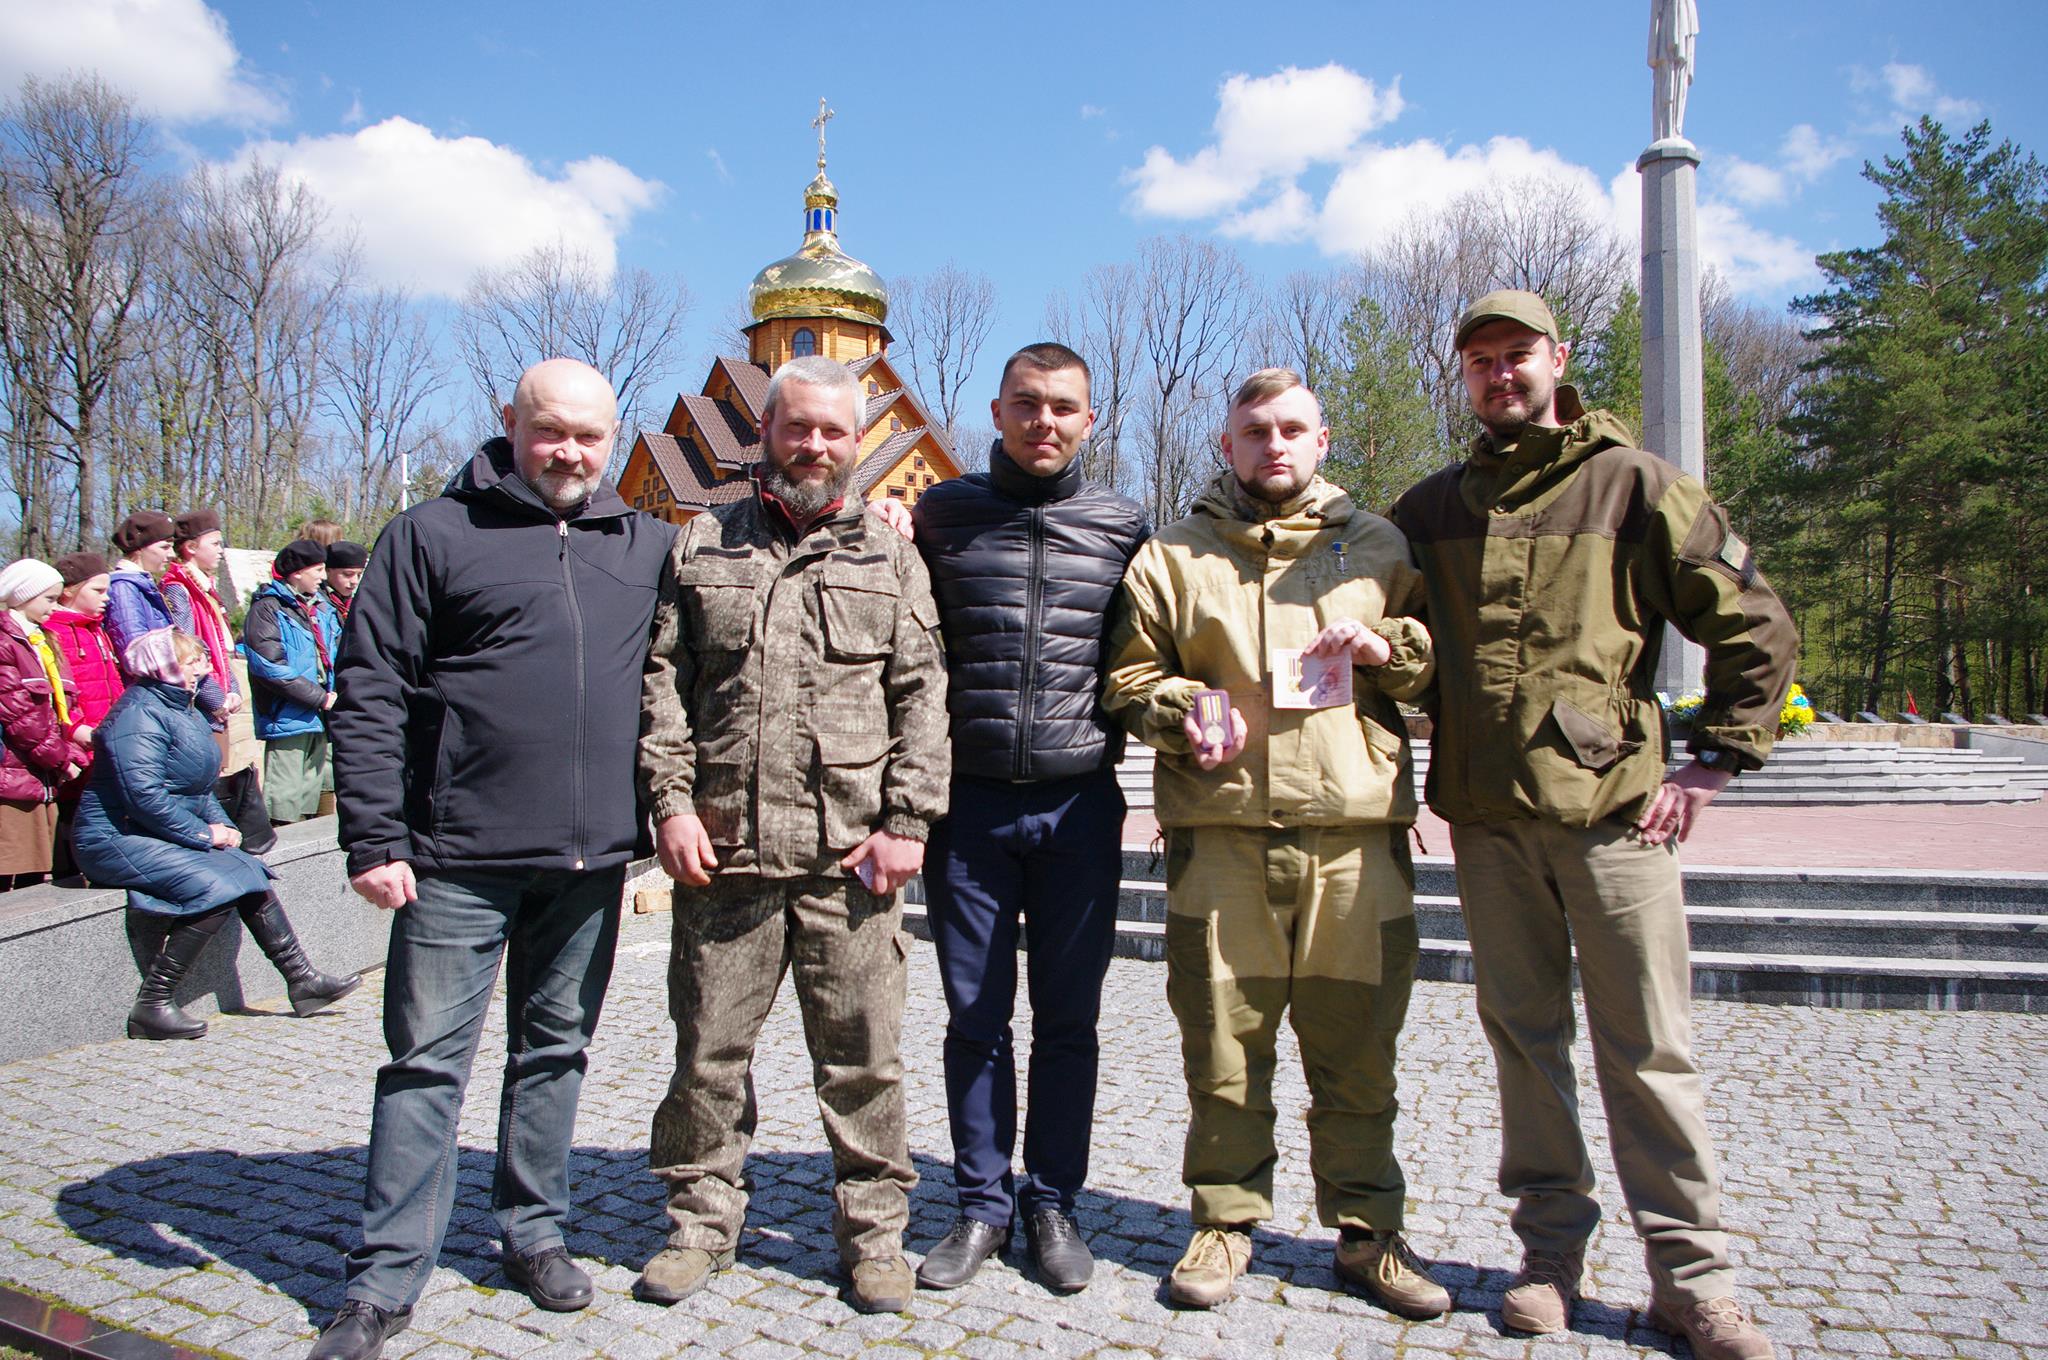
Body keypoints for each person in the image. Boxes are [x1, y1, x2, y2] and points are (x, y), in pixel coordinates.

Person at [1389, 290, 1796, 1360]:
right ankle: (1547, 1259)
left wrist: (1715, 758)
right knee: (1524, 1047)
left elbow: (1752, 620)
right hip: (1487, 823)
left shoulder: (1633, 484)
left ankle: (1690, 1281)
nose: (1497, 374)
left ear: (1555, 359)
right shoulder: (1431, 507)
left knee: (1646, 1050)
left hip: (1614, 821)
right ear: (1462, 378)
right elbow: (1372, 628)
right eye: (1477, 360)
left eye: (1514, 355)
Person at [313, 358, 675, 1360]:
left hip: (590, 860)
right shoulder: (431, 534)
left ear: (614, 439)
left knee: (553, 1051)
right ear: (508, 421)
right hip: (453, 860)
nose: (568, 451)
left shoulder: (643, 544)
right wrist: (374, 835)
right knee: (426, 1064)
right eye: (549, 429)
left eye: (589, 436)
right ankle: (383, 1280)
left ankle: (534, 1230)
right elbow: (371, 686)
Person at [1103, 368, 1445, 1318]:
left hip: (1352, 842)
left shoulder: (1377, 545)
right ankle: (1223, 1218)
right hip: (1223, 837)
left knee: (1359, 1049)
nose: (1275, 445)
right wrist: (1179, 708)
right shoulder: (1173, 557)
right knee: (1222, 1042)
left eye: (1293, 428)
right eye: (1255, 430)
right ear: (1228, 444)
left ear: (1323, 439)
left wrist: (1394, 650)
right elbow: (1127, 680)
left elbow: (1432, 672)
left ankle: (1370, 1232)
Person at [635, 354, 949, 1315]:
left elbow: (924, 694)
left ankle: (875, 1240)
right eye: (796, 428)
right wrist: (671, 803)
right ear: (764, 433)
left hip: (851, 862)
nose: (814, 446)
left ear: (858, 444)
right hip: (725, 854)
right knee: (708, 1054)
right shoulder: (700, 545)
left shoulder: (892, 557)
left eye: (833, 431)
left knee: (863, 1065)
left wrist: (909, 823)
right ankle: (699, 1223)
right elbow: (662, 687)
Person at [905, 342, 1149, 1294]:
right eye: (1026, 405)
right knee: (974, 1017)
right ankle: (979, 1206)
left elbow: (1163, 644)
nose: (1044, 422)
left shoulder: (1125, 526)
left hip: (1080, 804)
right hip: (965, 809)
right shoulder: (942, 514)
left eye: (1063, 408)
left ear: (1090, 420)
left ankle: (1051, 1203)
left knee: (1069, 1021)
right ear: (996, 412)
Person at [71, 628, 357, 1040]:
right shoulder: (136, 715)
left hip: (154, 832)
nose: (201, 670)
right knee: (216, 884)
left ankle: (302, 980)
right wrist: (206, 834)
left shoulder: (180, 708)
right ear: (163, 666)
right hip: (113, 839)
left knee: (250, 872)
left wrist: (226, 829)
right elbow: (143, 796)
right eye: (191, 662)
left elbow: (198, 785)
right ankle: (152, 1005)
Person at [161, 511, 271, 852]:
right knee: (209, 773)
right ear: (191, 548)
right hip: (204, 701)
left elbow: (220, 652)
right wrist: (215, 697)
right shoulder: (179, 588)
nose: (221, 550)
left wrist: (233, 690)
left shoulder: (204, 588)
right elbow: (189, 647)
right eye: (215, 543)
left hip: (217, 695)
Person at [0, 560, 90, 890]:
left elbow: (61, 705)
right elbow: (22, 718)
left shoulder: (42, 641)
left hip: (38, 773)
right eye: (49, 599)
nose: (55, 606)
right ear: (24, 595)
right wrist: (61, 758)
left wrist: (71, 750)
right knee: (11, 872)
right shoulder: (6, 642)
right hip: (14, 776)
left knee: (36, 874)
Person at [105, 510, 232, 724]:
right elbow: (137, 655)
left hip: (161, 699)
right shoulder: (124, 589)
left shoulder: (141, 586)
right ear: (139, 549)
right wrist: (213, 697)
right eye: (164, 547)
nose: (171, 554)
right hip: (148, 703)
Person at [243, 541, 337, 826]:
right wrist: (318, 697)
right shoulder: (268, 609)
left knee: (313, 791)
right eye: (318, 570)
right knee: (284, 798)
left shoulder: (322, 608)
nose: (323, 576)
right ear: (297, 572)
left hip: (320, 715)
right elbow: (270, 668)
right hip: (287, 715)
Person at [46, 553, 123, 880]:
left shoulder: (96, 630)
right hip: (82, 743)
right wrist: (80, 734)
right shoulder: (55, 632)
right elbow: (62, 697)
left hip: (107, 739)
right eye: (98, 590)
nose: (107, 598)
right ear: (69, 592)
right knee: (79, 814)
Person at [322, 541, 367, 629]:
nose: (355, 581)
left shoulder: (360, 600)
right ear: (327, 571)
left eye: (359, 575)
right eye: (347, 574)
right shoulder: (317, 603)